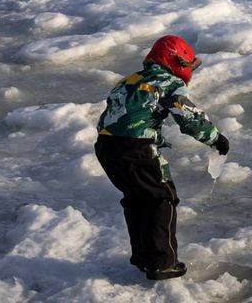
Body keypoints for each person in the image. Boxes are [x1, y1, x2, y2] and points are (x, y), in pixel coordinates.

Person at [94, 35, 232, 282]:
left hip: (106, 146)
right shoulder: (168, 81)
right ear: (176, 62)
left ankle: (143, 258)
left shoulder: (129, 80)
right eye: (188, 66)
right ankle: (162, 264)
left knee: (137, 199)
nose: (189, 72)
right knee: (162, 198)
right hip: (137, 146)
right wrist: (215, 138)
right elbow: (187, 116)